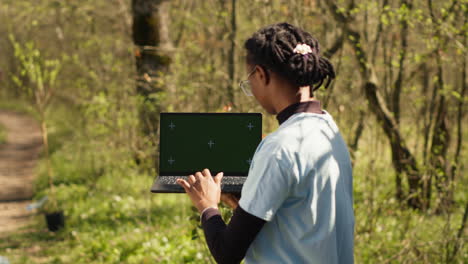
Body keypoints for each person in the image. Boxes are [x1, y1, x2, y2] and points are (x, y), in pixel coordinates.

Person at [177, 22, 354, 264]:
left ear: (261, 74)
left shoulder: (280, 147)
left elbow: (227, 252)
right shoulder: (328, 130)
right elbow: (302, 217)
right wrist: (244, 203)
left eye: (249, 79)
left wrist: (207, 204)